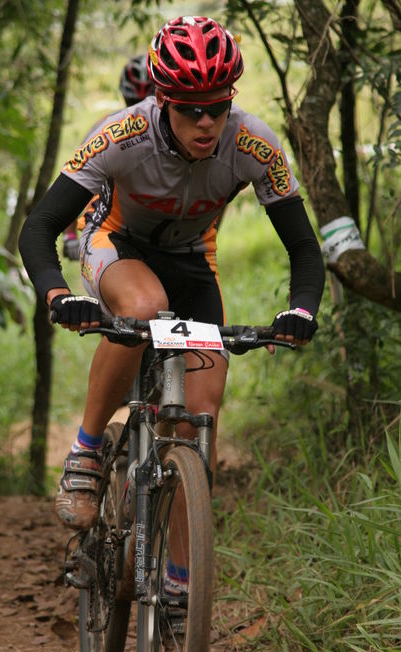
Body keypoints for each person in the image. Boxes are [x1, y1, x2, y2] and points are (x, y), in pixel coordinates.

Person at [19, 17, 325, 586]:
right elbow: (38, 228)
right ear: (163, 101)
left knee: (199, 422)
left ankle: (182, 582)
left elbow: (304, 248)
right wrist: (58, 294)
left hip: (192, 264)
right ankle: (86, 454)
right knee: (142, 305)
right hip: (117, 244)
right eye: (189, 109)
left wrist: (301, 310)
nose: (206, 122)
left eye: (217, 106)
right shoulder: (121, 136)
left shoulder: (254, 143)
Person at [62, 54, 154, 259]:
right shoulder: (107, 128)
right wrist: (69, 234)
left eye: (147, 102)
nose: (140, 110)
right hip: (110, 229)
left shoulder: (182, 132)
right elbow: (75, 176)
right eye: (133, 102)